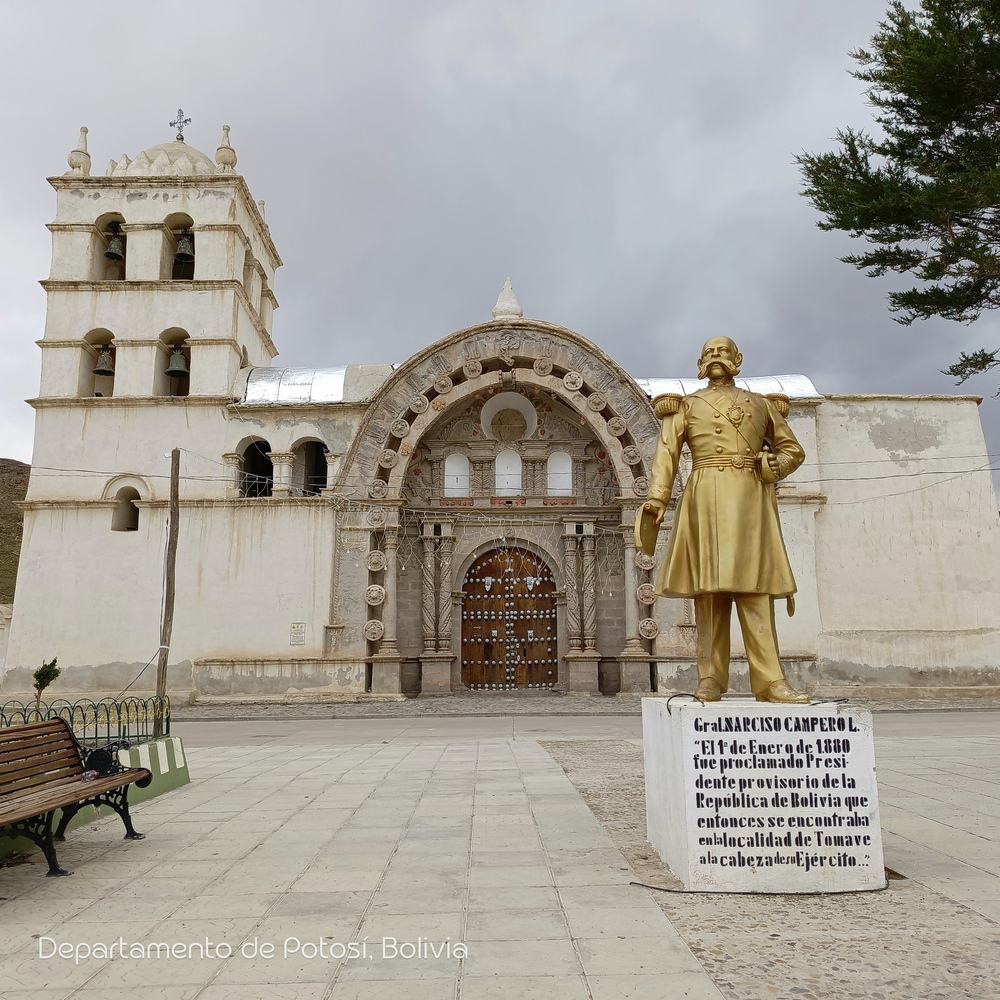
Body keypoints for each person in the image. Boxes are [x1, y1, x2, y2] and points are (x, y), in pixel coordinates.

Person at [636, 336, 810, 704]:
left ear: (738, 360)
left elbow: (792, 449)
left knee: (755, 588)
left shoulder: (761, 405)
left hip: (750, 499)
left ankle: (771, 681)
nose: (716, 358)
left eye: (723, 352)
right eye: (710, 353)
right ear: (700, 362)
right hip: (705, 497)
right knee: (710, 592)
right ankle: (710, 678)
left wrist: (773, 465)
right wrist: (656, 498)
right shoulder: (685, 406)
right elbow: (666, 453)